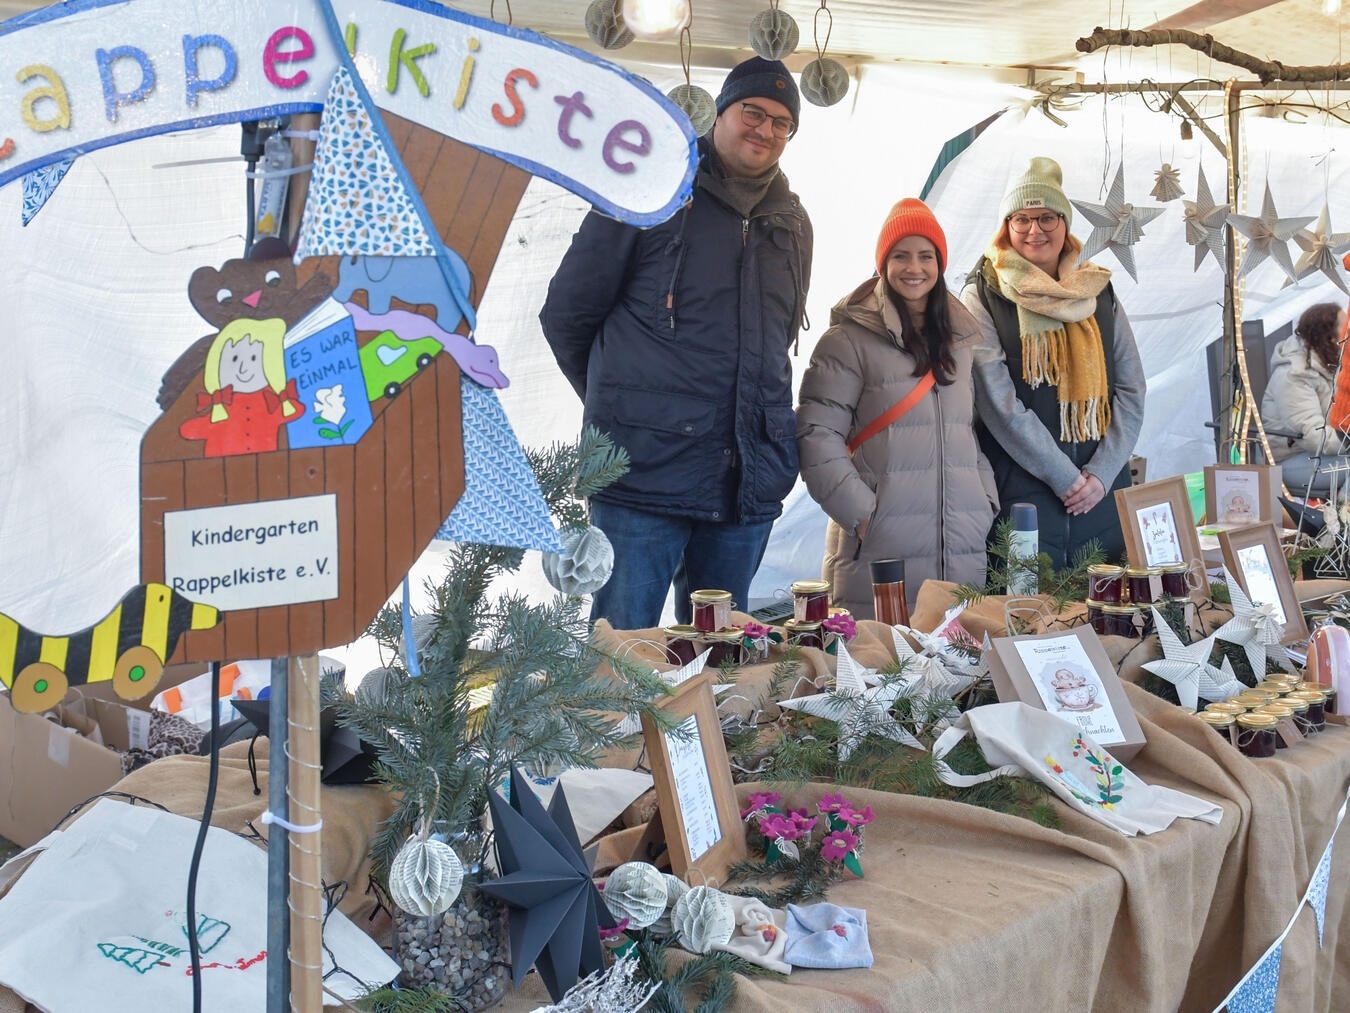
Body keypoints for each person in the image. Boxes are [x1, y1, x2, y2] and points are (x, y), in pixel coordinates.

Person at [539, 57, 813, 629]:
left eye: (782, 123)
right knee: (623, 659)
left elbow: (777, 343)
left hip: (745, 481)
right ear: (720, 112)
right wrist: (626, 407)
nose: (765, 130)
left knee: (723, 666)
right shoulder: (652, 189)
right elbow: (567, 313)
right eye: (753, 112)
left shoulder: (793, 221)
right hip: (641, 478)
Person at [797, 198, 997, 617]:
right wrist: (864, 514)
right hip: (879, 547)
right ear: (883, 262)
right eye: (901, 255)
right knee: (881, 669)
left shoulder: (959, 343)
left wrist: (984, 499)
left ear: (940, 264)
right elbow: (817, 434)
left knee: (957, 669)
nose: (914, 267)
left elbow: (966, 430)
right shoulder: (847, 340)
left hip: (960, 544)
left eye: (926, 256)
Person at [960, 157, 1146, 569]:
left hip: (1100, 497)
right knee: (1022, 616)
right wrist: (1066, 478)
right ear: (1006, 226)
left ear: (1064, 223)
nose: (1034, 230)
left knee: (1104, 618)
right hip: (1023, 494)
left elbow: (1132, 389)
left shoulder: (1097, 289)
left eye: (1046, 217)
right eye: (1021, 219)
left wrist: (1099, 474)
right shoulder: (983, 294)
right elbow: (998, 403)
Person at [1262, 302, 1348, 496]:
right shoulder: (1293, 375)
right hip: (1291, 462)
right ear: (1328, 337)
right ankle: (1343, 524)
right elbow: (1315, 438)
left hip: (1327, 455)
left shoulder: (1330, 362)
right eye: (1345, 329)